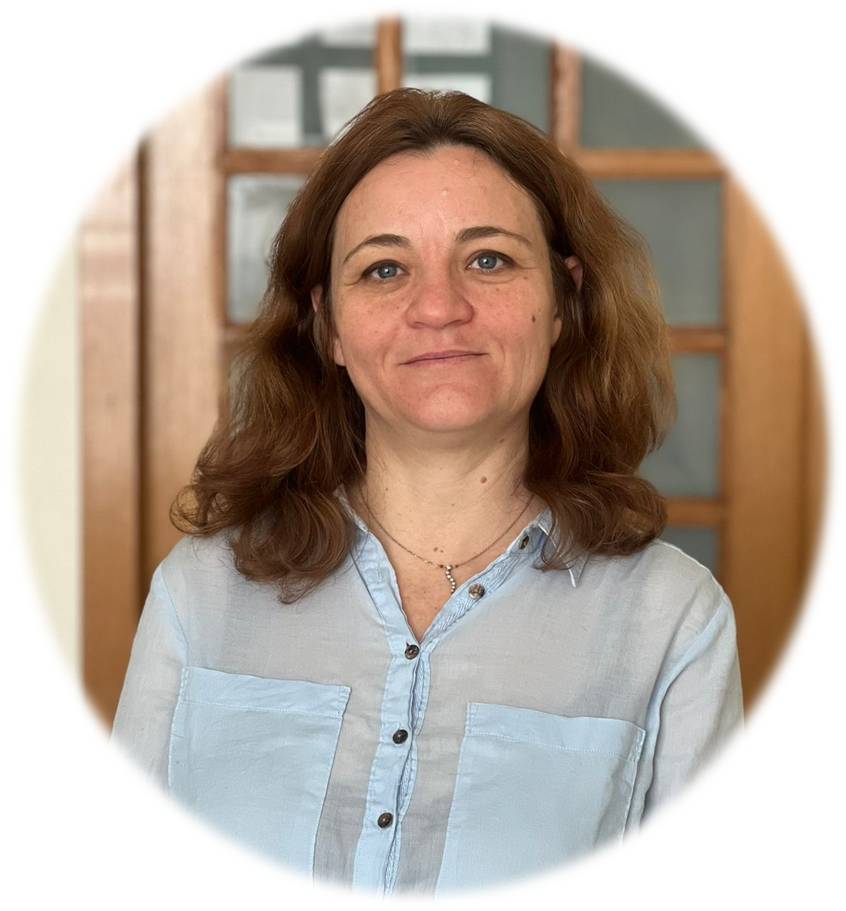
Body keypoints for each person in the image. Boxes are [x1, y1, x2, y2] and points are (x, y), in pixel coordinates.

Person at [111, 87, 743, 895]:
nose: (440, 308)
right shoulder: (200, 595)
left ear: (562, 301)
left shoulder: (674, 622)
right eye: (384, 268)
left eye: (489, 259)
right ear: (329, 326)